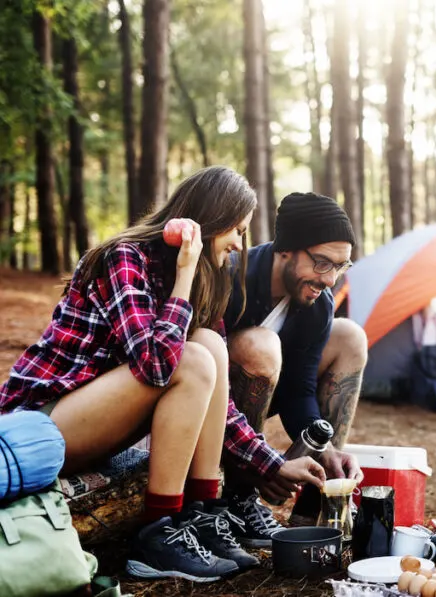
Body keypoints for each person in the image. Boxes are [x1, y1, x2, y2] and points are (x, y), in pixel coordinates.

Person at [0, 167, 322, 581]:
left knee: (208, 345)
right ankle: (158, 535)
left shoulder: (204, 276)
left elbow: (217, 400)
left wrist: (270, 464)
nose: (241, 244)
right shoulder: (125, 257)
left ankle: (200, 515)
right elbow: (155, 367)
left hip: (93, 420)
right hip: (40, 424)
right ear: (213, 220)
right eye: (237, 230)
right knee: (191, 358)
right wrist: (184, 275)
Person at [220, 192, 368, 545]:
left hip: (261, 396)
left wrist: (326, 449)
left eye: (340, 266)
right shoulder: (230, 279)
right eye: (322, 263)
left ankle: (317, 500)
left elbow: (300, 389)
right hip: (207, 407)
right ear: (285, 249)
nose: (330, 279)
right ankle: (237, 498)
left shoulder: (317, 304)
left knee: (350, 336)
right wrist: (261, 463)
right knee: (260, 345)